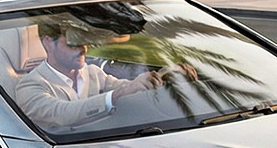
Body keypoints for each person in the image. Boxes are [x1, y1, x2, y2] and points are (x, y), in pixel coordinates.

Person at [13, 16, 166, 129]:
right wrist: (117, 95)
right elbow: (63, 114)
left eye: (85, 43)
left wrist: (164, 77)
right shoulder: (30, 85)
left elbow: (127, 87)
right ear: (48, 42)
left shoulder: (93, 73)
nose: (83, 49)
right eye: (74, 44)